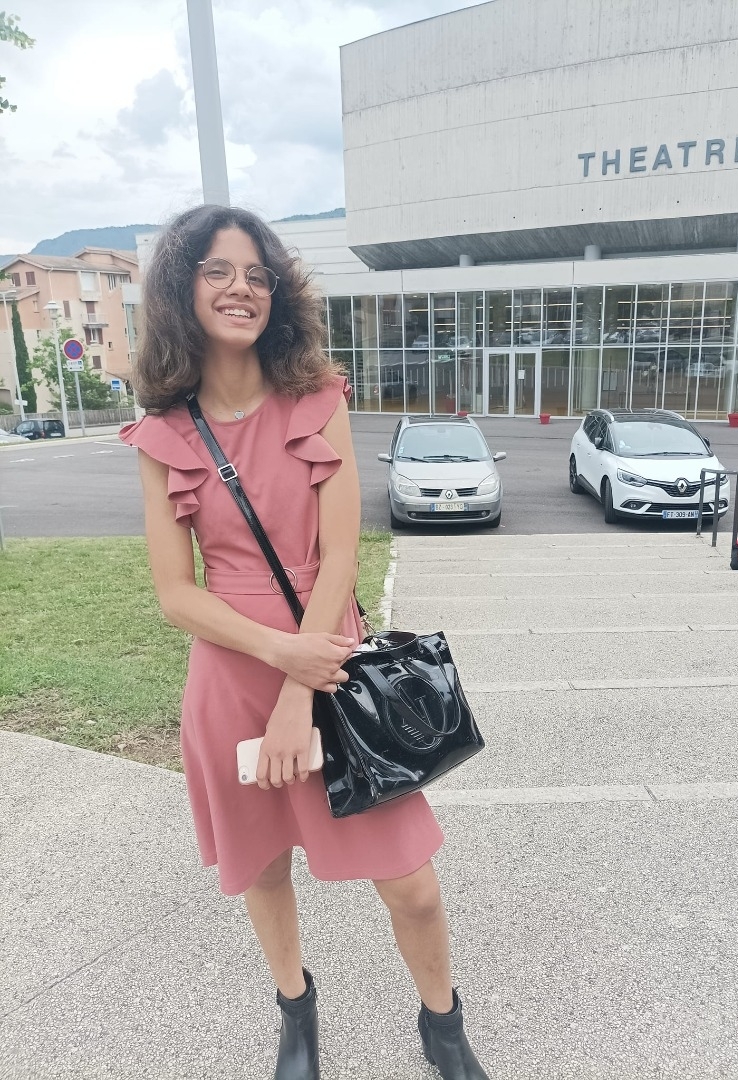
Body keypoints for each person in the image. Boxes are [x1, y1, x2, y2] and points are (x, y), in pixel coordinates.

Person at [120, 205, 489, 1080]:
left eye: (256, 273)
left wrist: (298, 680)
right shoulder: (162, 432)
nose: (240, 288)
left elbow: (340, 555)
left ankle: (441, 1023)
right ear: (180, 288)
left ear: (277, 292)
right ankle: (296, 1010)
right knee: (262, 869)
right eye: (217, 270)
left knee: (409, 881)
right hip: (230, 673)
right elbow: (175, 594)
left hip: (326, 662)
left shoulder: (318, 397)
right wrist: (275, 656)